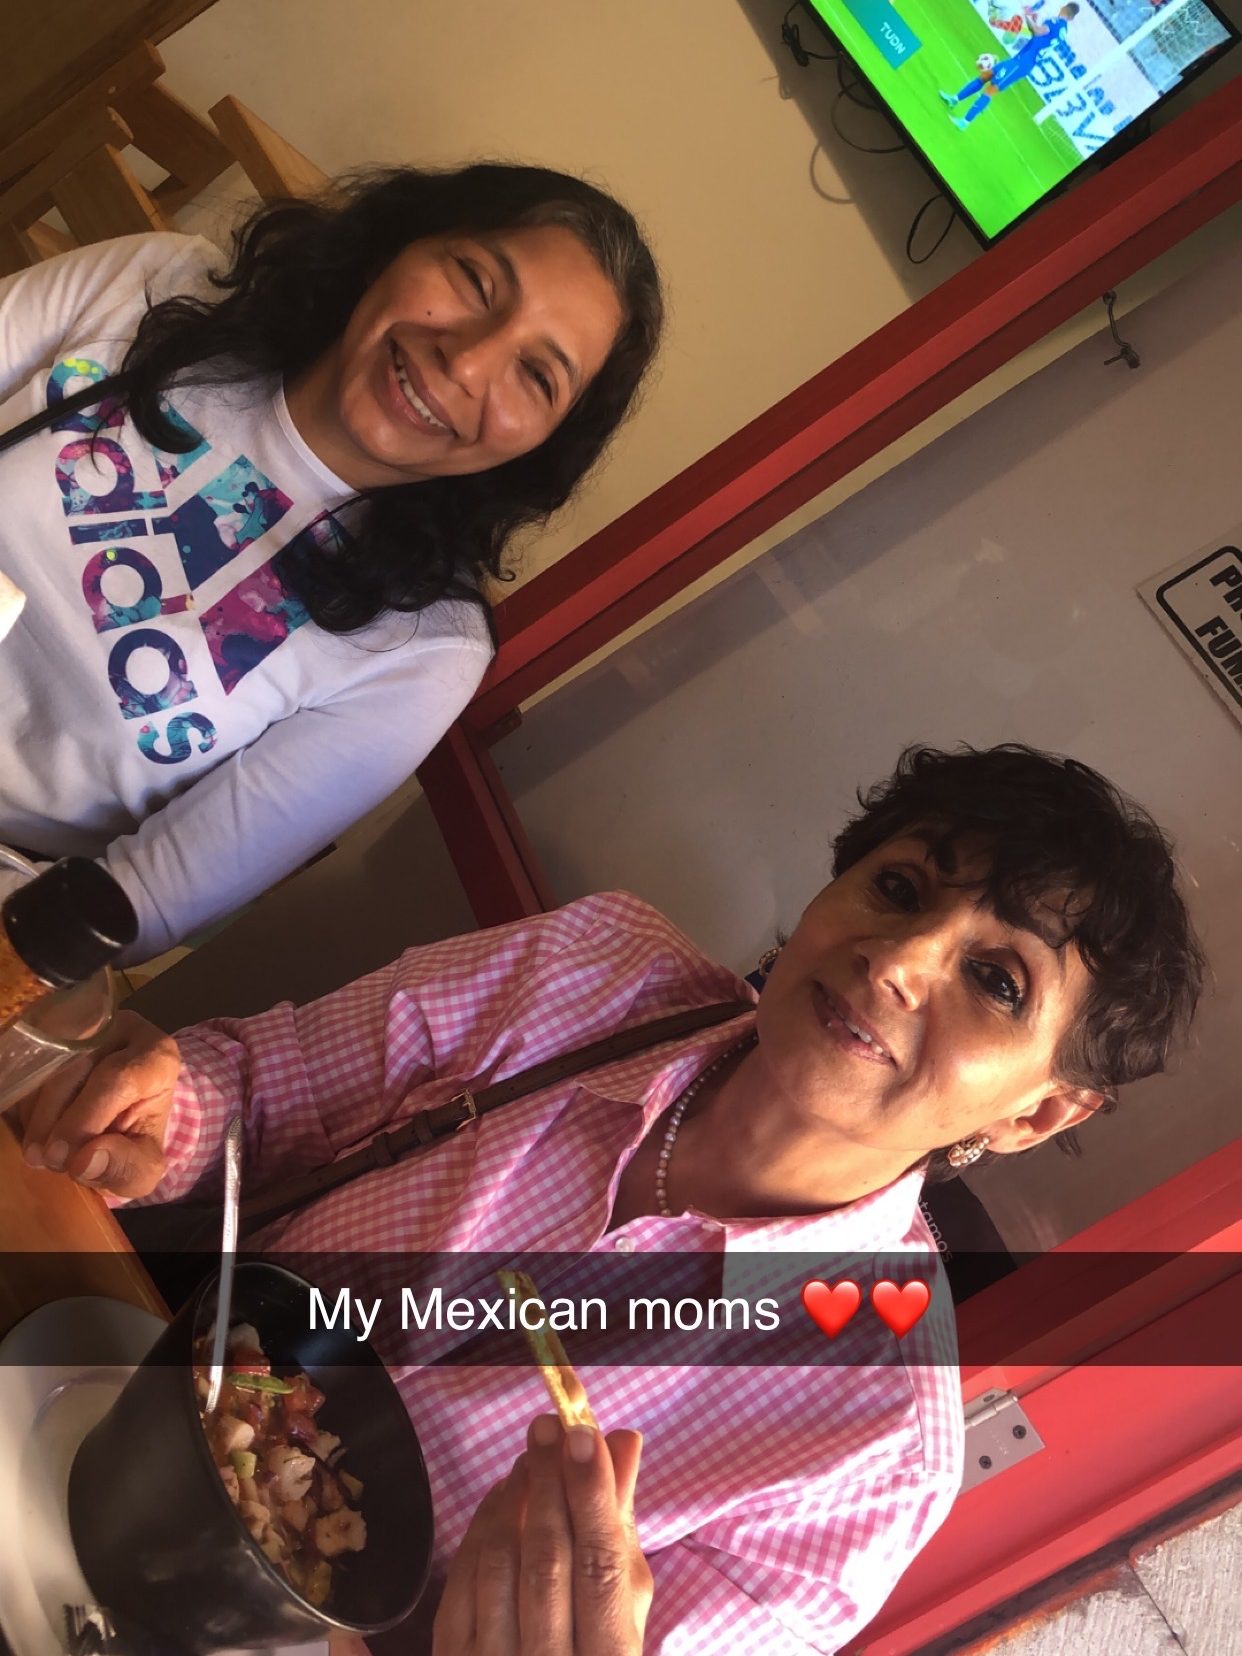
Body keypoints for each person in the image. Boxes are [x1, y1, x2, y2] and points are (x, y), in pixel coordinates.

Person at [20, 743, 1204, 1652]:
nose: (898, 962)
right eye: (897, 888)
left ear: (1038, 1112)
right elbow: (263, 1090)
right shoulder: (603, 969)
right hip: (87, 1400)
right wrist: (157, 1116)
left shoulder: (876, 1453)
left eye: (996, 981)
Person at [0, 164, 663, 962]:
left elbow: (141, 903)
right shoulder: (156, 286)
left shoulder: (423, 651)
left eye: (536, 374)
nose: (467, 361)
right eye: (475, 280)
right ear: (401, 244)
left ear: (545, 445)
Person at [941, 4, 1081, 126]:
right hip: (1021, 60)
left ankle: (964, 122)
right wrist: (1031, 20)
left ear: (1063, 8)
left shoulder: (1055, 21)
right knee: (986, 76)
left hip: (1022, 63)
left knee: (991, 89)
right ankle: (955, 99)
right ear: (1072, 17)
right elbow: (1039, 36)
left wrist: (1027, 16)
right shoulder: (1063, 31)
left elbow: (1038, 32)